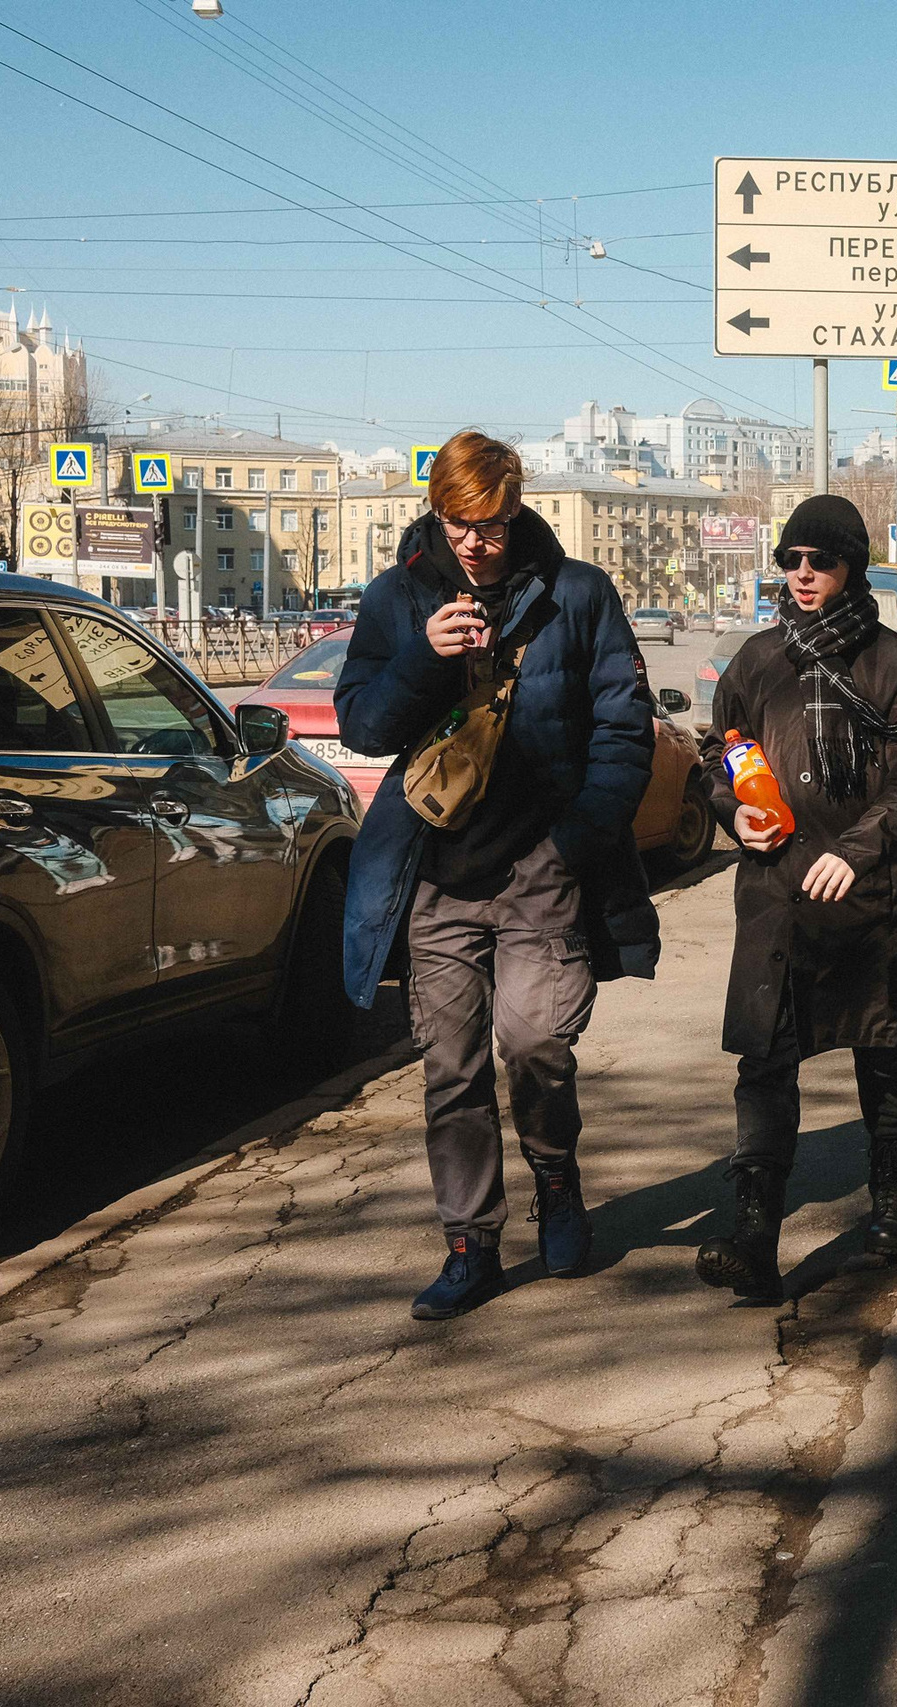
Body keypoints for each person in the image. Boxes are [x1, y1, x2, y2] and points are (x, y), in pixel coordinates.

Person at [335, 429, 661, 1321]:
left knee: (536, 1045)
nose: (476, 542)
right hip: (437, 874)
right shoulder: (398, 599)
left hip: (540, 869)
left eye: (493, 523)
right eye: (460, 524)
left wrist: (574, 842)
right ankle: (470, 1242)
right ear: (438, 514)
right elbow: (361, 723)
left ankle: (556, 1178)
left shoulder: (579, 595)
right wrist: (421, 659)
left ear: (518, 510)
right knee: (451, 1068)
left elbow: (625, 728)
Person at [696, 494, 897, 1305]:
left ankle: (893, 1201)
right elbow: (717, 755)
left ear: (852, 568)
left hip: (866, 894)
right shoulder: (758, 660)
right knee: (764, 1059)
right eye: (791, 561)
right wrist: (737, 810)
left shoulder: (895, 664)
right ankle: (754, 1237)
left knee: (881, 1045)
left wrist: (855, 850)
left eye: (821, 562)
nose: (803, 575)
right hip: (775, 890)